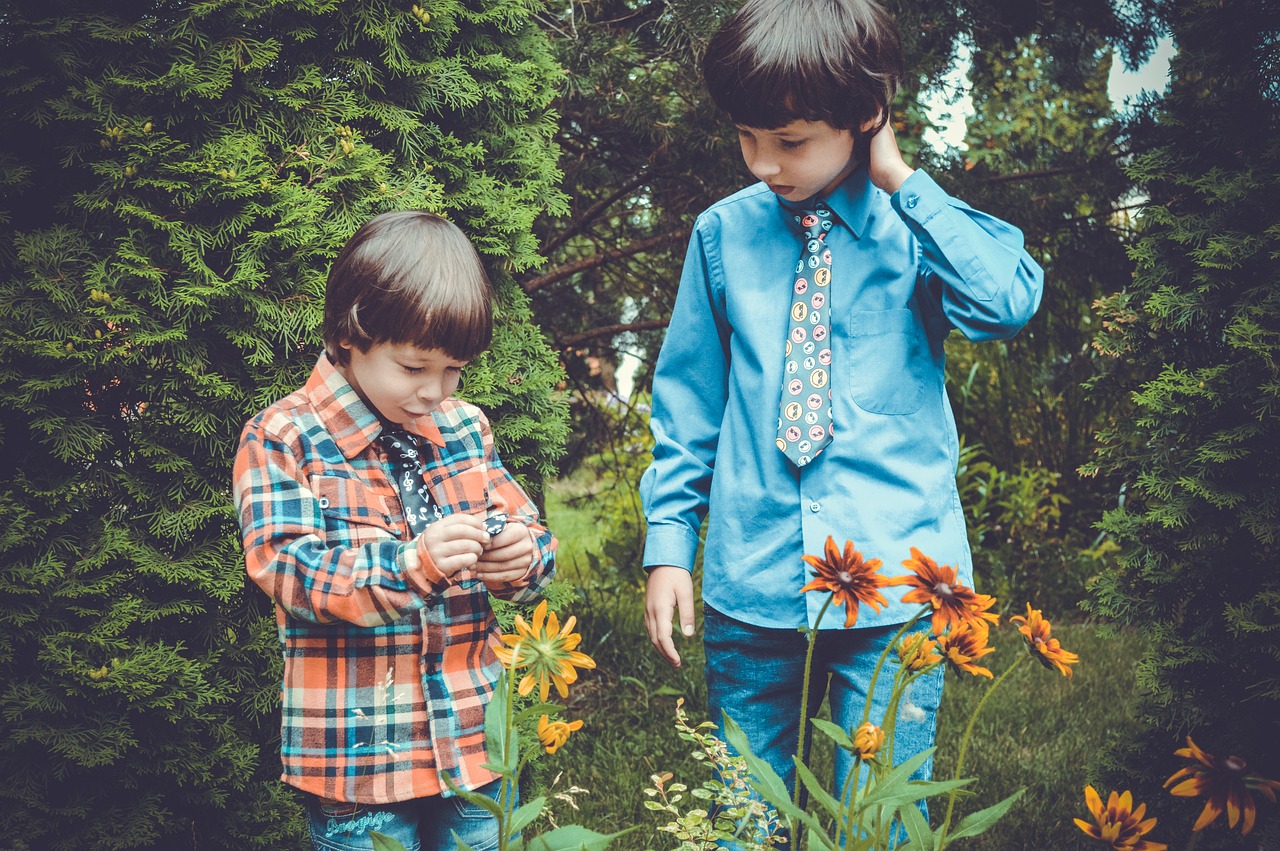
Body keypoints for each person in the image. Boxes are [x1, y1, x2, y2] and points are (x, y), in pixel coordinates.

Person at [640, 0, 1044, 821]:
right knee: (743, 822)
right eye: (746, 137)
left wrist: (899, 179)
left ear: (866, 116)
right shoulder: (720, 238)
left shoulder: (916, 233)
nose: (762, 163)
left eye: (789, 142)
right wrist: (670, 546)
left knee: (882, 822)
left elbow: (1006, 302)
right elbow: (688, 406)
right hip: (751, 591)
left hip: (897, 592)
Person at [233, 210, 556, 851]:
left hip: (476, 747)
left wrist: (522, 556)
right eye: (414, 368)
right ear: (352, 334)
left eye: (455, 370)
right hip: (360, 763)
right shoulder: (282, 437)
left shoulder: (467, 429)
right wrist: (412, 565)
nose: (437, 390)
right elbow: (289, 572)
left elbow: (530, 534)